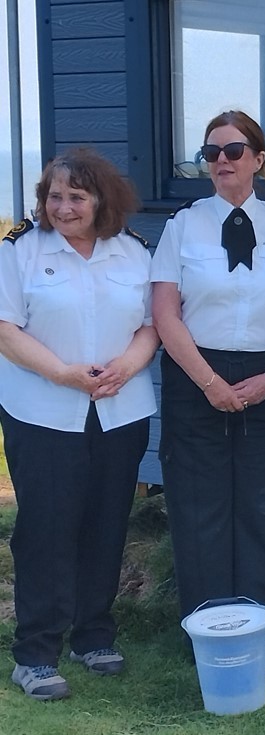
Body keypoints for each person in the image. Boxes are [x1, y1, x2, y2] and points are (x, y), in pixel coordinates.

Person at [151, 110, 265, 676]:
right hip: (195, 375)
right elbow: (165, 311)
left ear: (257, 158)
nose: (221, 162)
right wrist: (208, 381)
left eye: (232, 150)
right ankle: (209, 634)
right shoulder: (183, 226)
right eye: (211, 153)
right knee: (201, 507)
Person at [0, 148, 158, 700]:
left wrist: (127, 367)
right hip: (43, 412)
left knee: (106, 523)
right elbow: (5, 330)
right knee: (45, 530)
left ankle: (94, 634)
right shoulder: (19, 251)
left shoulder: (134, 253)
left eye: (76, 196)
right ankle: (37, 653)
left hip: (120, 411)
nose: (63, 207)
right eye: (54, 196)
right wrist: (65, 375)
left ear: (102, 200)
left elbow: (152, 325)